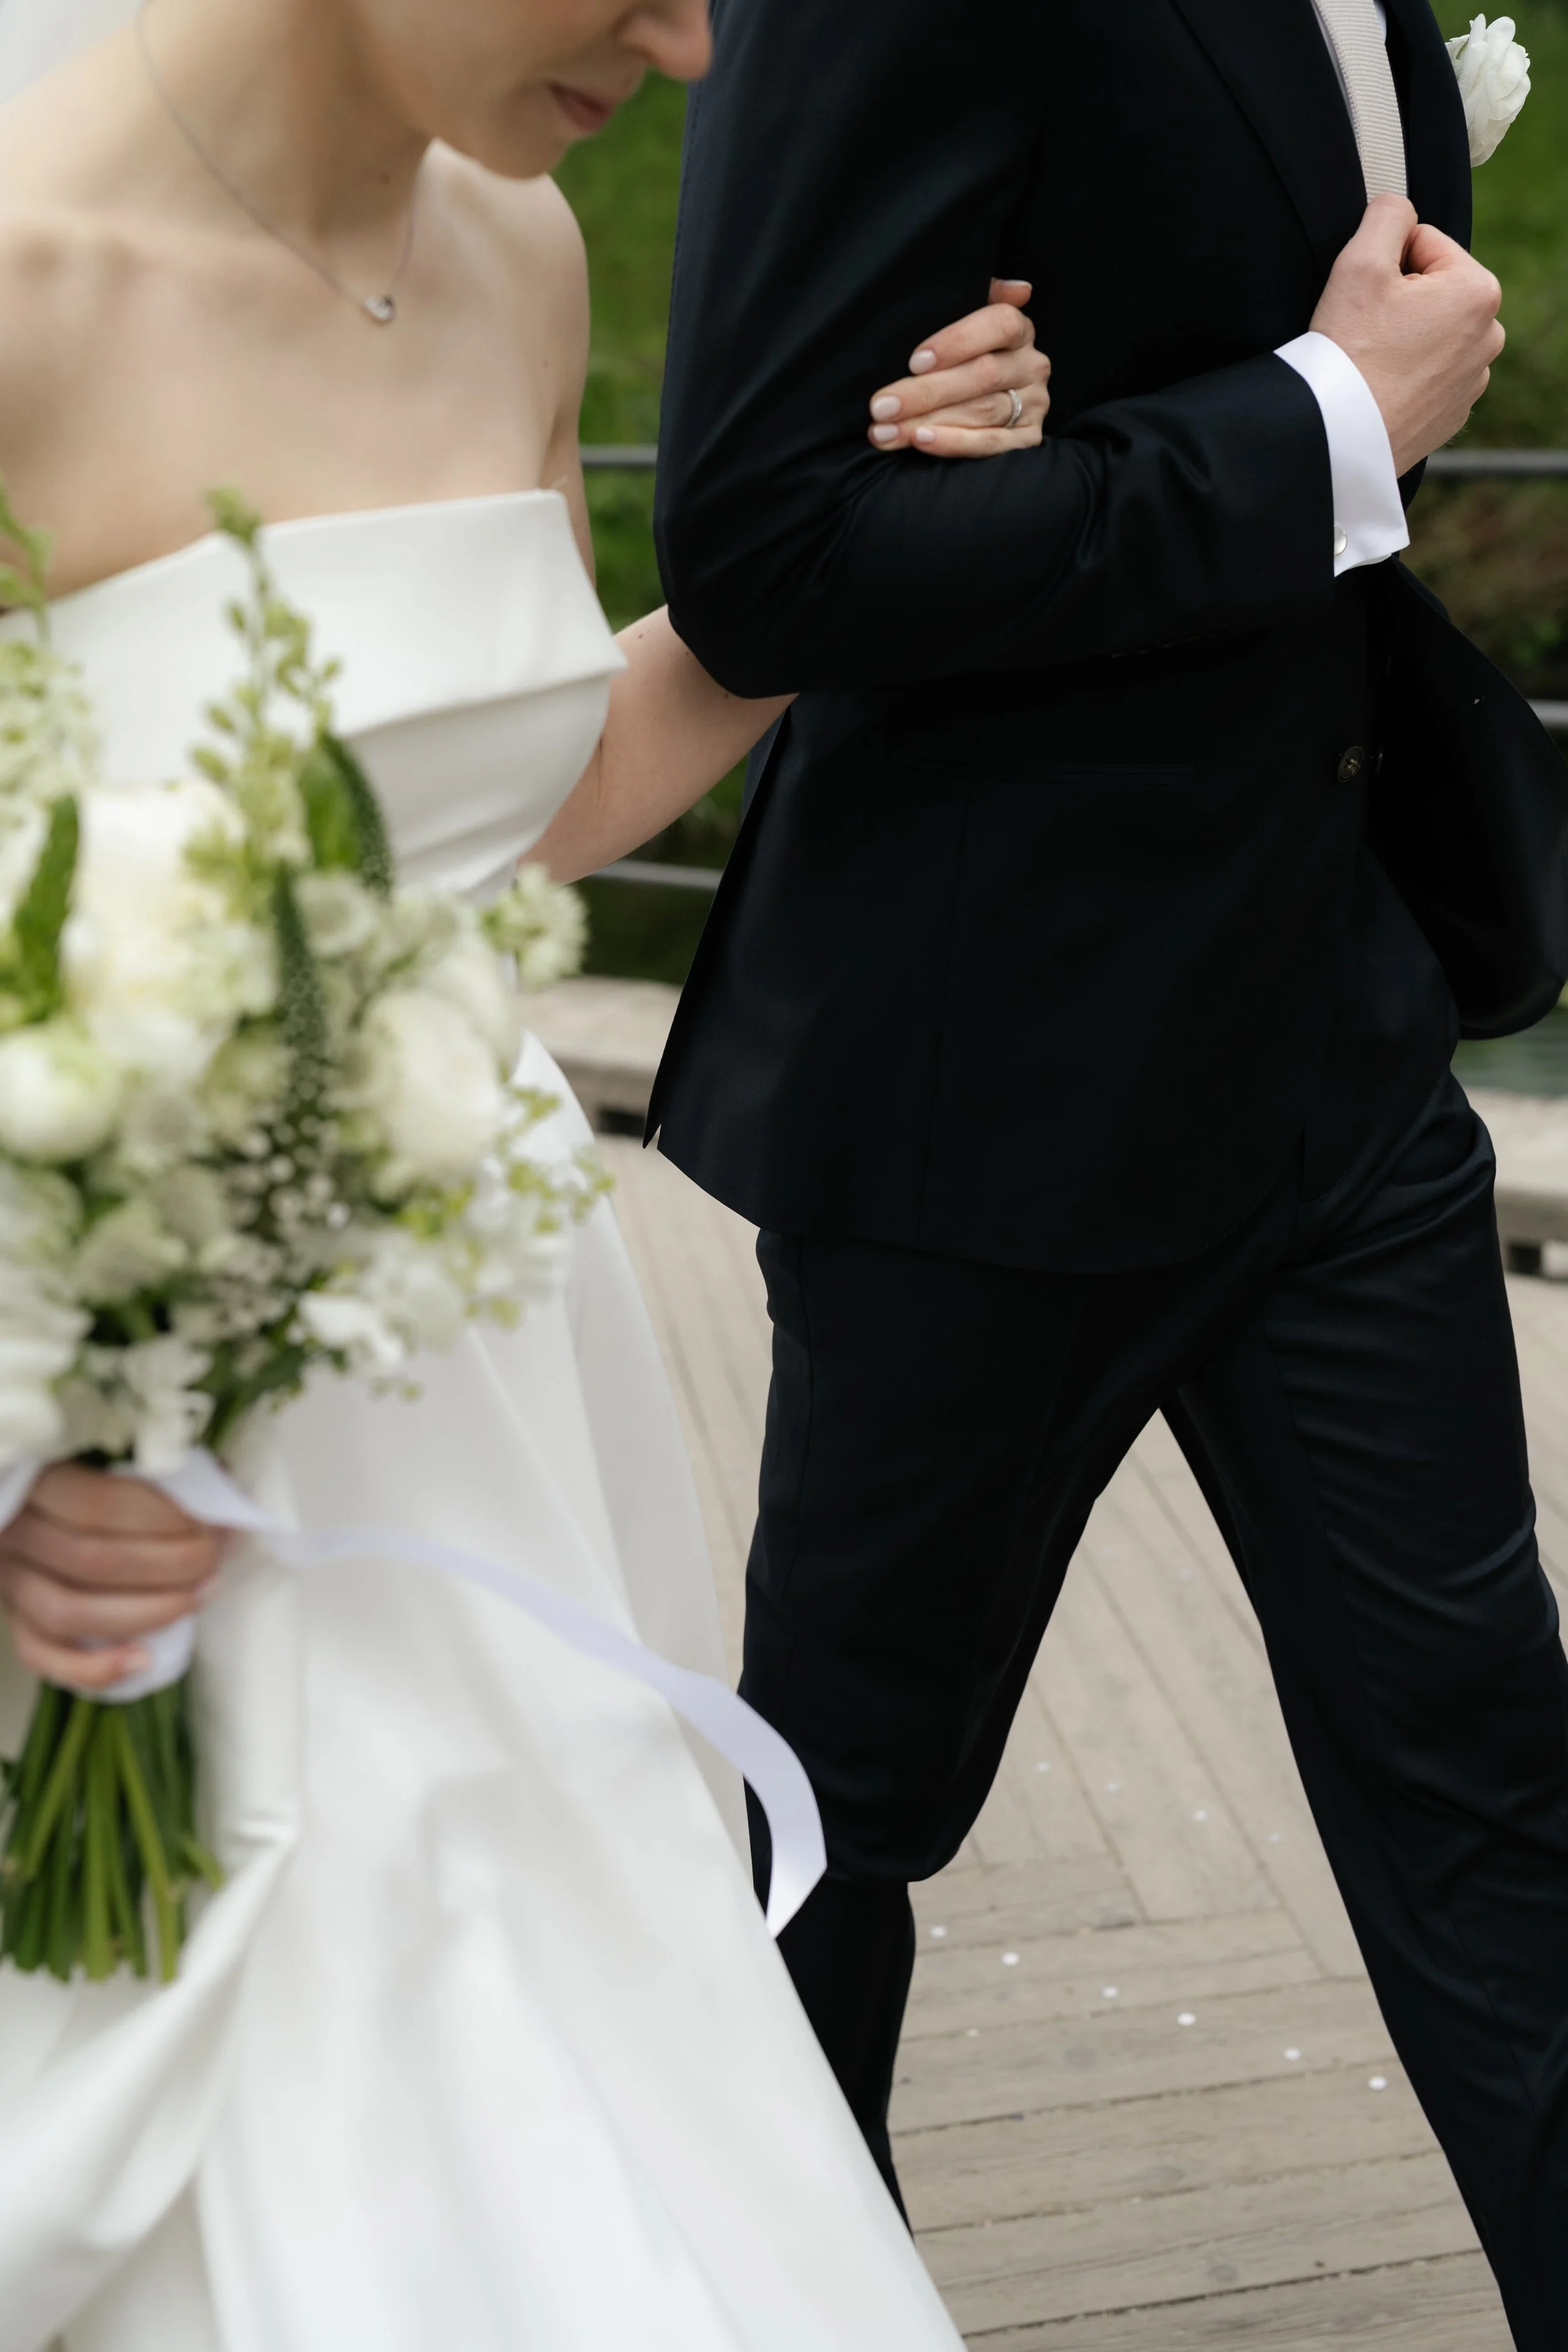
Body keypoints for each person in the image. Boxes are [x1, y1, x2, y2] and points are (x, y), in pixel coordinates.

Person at [0, 1, 1051, 2344]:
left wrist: (873, 542)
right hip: (127, 1484)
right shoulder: (19, 295)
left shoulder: (516, 251)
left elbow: (529, 801)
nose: (693, 51)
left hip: (494, 1404)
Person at [551, 0, 1568, 2344]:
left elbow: (1311, 316)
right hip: (976, 1092)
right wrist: (1320, 418)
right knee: (834, 1823)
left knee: (1491, 1777)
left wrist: (1335, 392)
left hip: (1335, 1031)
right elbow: (768, 543)